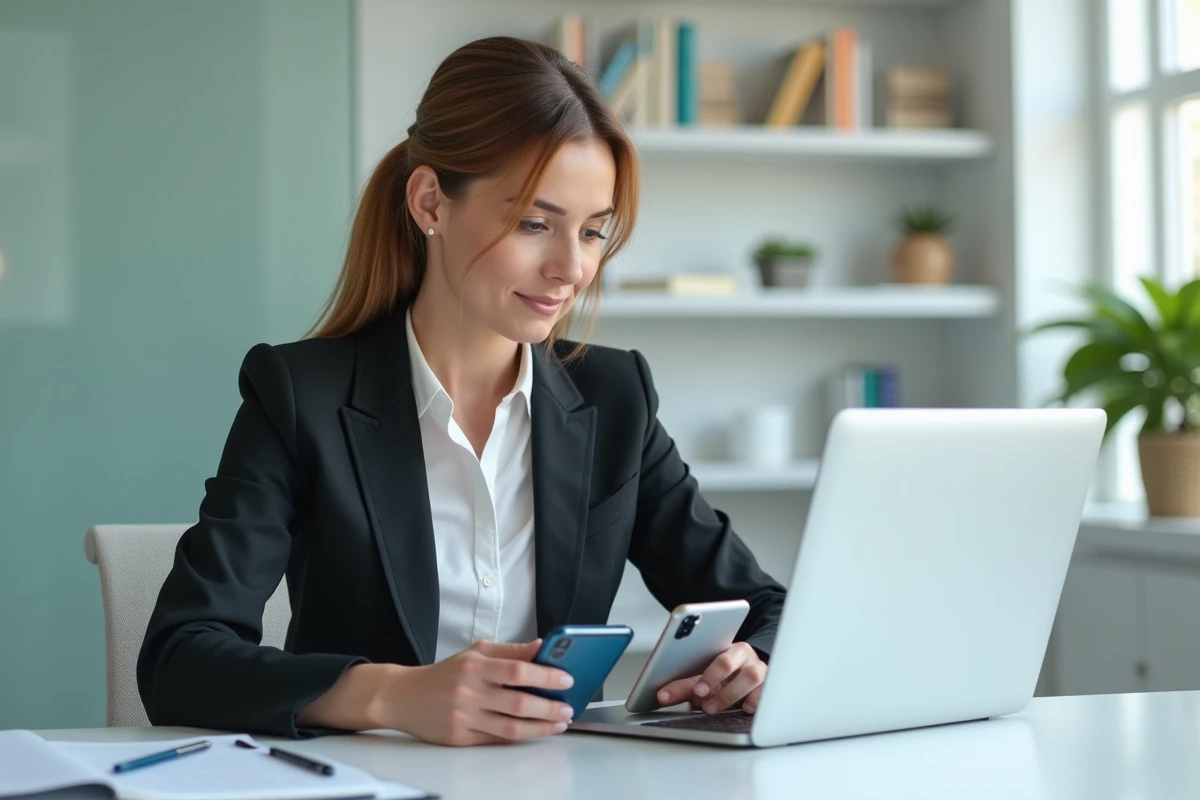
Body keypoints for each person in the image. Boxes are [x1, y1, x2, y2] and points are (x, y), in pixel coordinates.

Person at [138, 35, 786, 747]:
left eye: (594, 233)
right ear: (430, 203)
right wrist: (393, 695)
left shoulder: (614, 396)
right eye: (535, 224)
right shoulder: (300, 396)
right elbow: (179, 658)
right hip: (371, 783)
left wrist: (748, 661)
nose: (571, 268)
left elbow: (765, 607)